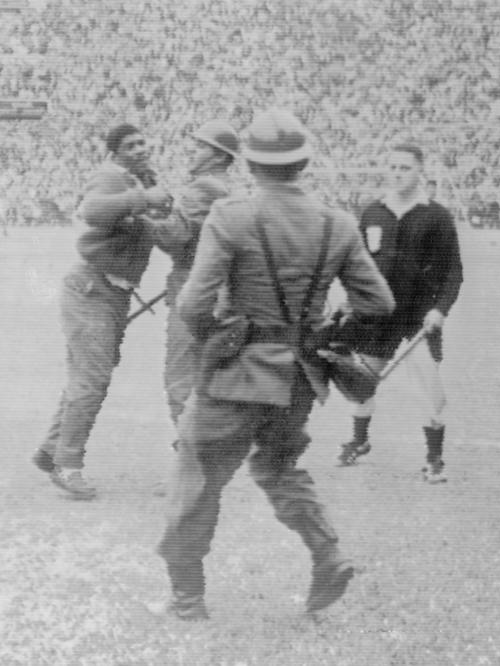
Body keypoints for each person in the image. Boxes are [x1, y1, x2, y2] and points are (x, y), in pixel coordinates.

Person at [156, 108, 394, 620]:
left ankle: (187, 596)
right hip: (299, 376)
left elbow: (192, 305)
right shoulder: (338, 223)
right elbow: (379, 303)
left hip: (236, 372)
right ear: (304, 163)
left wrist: (215, 341)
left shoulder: (232, 215)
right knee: (278, 466)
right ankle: (328, 552)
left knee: (197, 476)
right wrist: (328, 323)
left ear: (250, 165)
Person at [32, 123, 172, 499]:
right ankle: (67, 465)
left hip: (110, 292)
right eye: (131, 145)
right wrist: (144, 200)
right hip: (92, 289)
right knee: (91, 380)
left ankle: (51, 450)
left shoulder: (140, 180)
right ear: (114, 153)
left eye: (144, 141)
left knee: (87, 375)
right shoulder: (110, 175)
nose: (141, 148)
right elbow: (91, 211)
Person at [334, 143, 463, 484]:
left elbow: (453, 273)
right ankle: (359, 440)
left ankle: (434, 458)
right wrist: (353, 300)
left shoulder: (436, 216)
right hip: (377, 317)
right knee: (361, 382)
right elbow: (356, 265)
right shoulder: (372, 212)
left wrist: (440, 310)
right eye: (392, 167)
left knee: (428, 387)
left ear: (420, 170)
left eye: (405, 167)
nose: (397, 173)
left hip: (419, 318)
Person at [154, 120, 239, 426]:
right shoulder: (225, 187)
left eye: (201, 146)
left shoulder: (203, 187)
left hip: (192, 286)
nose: (193, 150)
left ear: (219, 156)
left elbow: (175, 237)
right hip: (218, 287)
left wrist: (141, 217)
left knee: (180, 374)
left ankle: (189, 453)